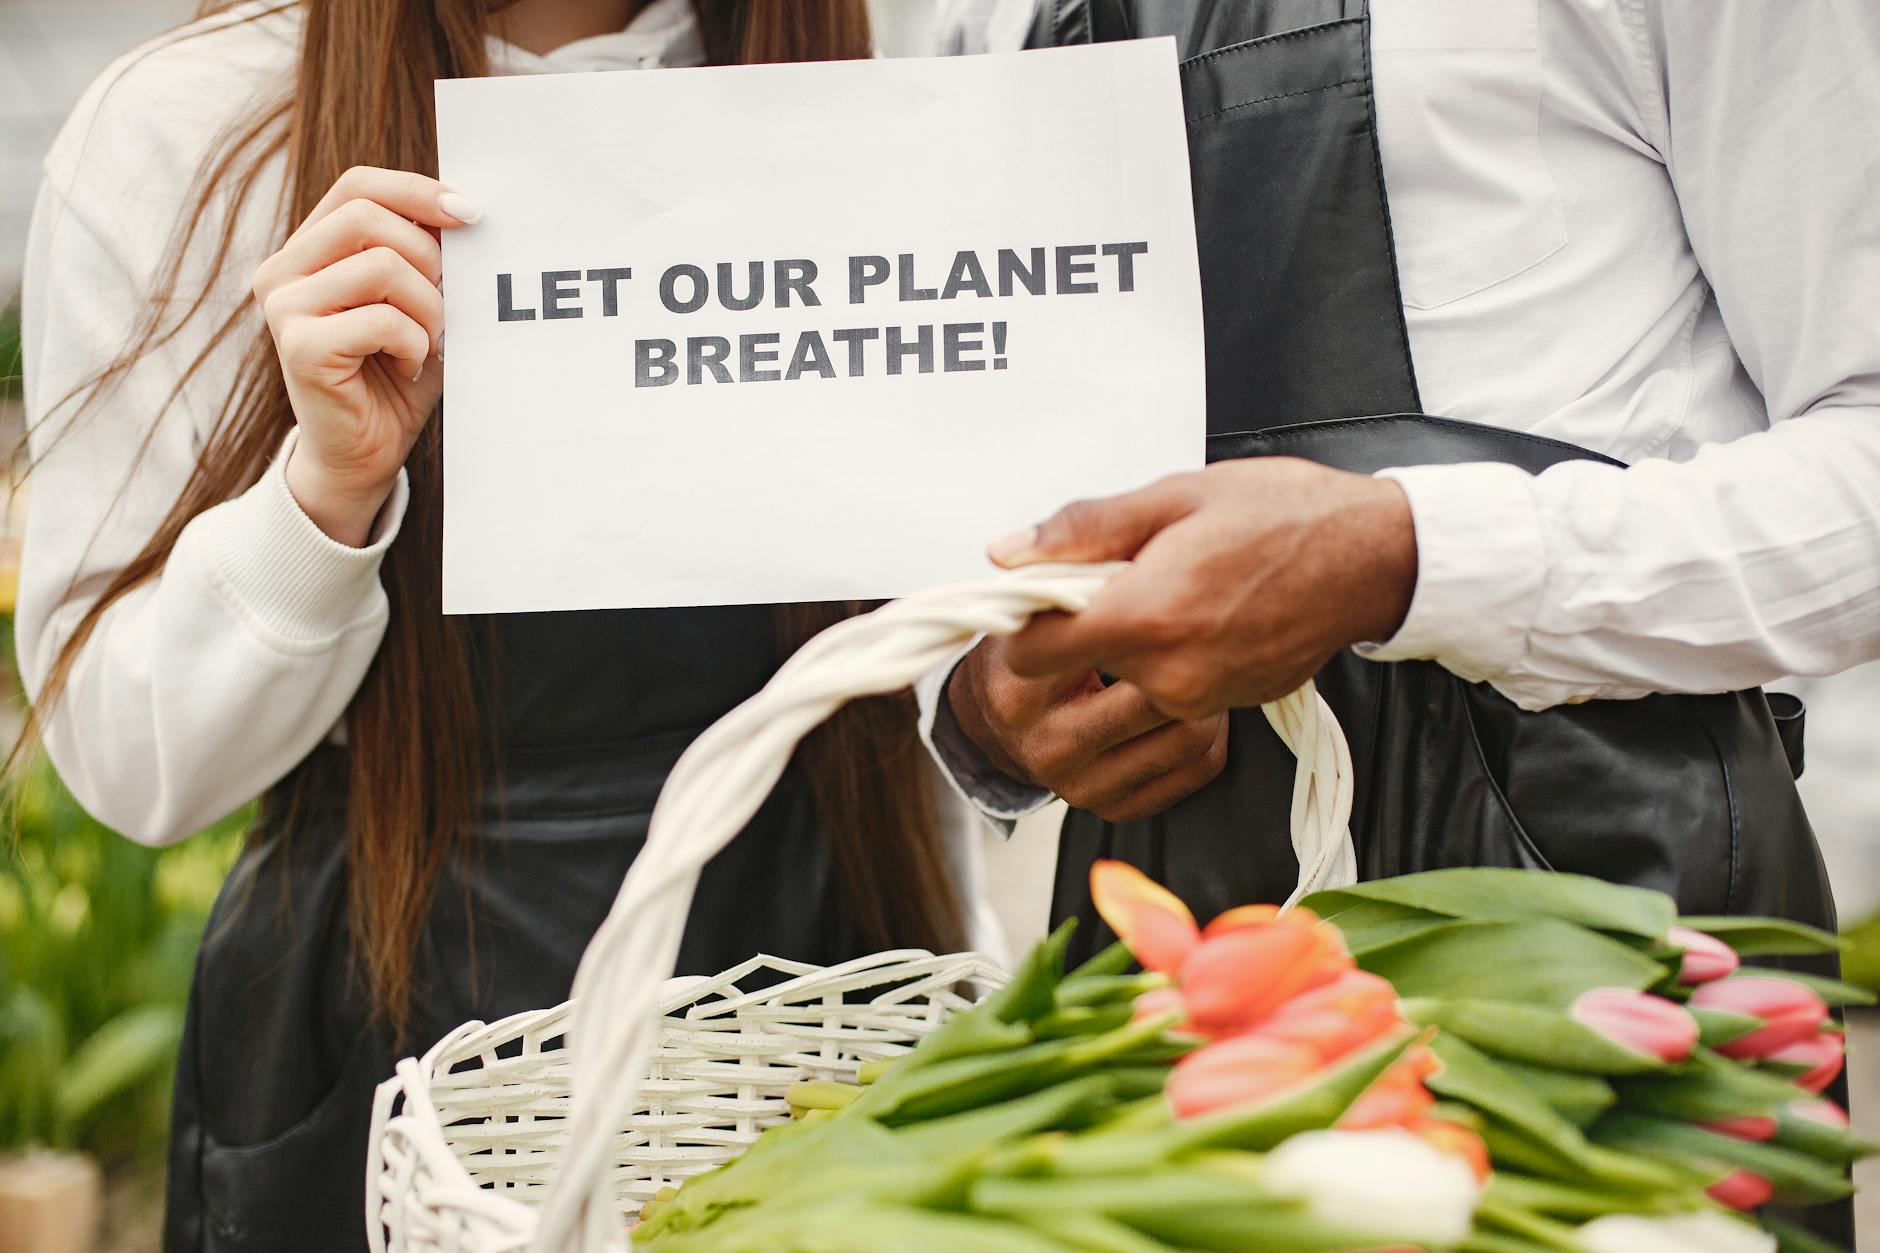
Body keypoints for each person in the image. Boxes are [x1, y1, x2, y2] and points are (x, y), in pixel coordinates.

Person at [16, 3, 990, 1249]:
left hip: (813, 1011)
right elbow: (128, 760)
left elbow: (930, 648)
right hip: (367, 1051)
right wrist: (324, 492)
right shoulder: (188, 125)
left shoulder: (901, 67)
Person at [931, 0, 1876, 1240]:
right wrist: (979, 705)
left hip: (1601, 896)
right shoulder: (986, 21)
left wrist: (1407, 561)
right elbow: (955, 497)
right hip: (1162, 927)